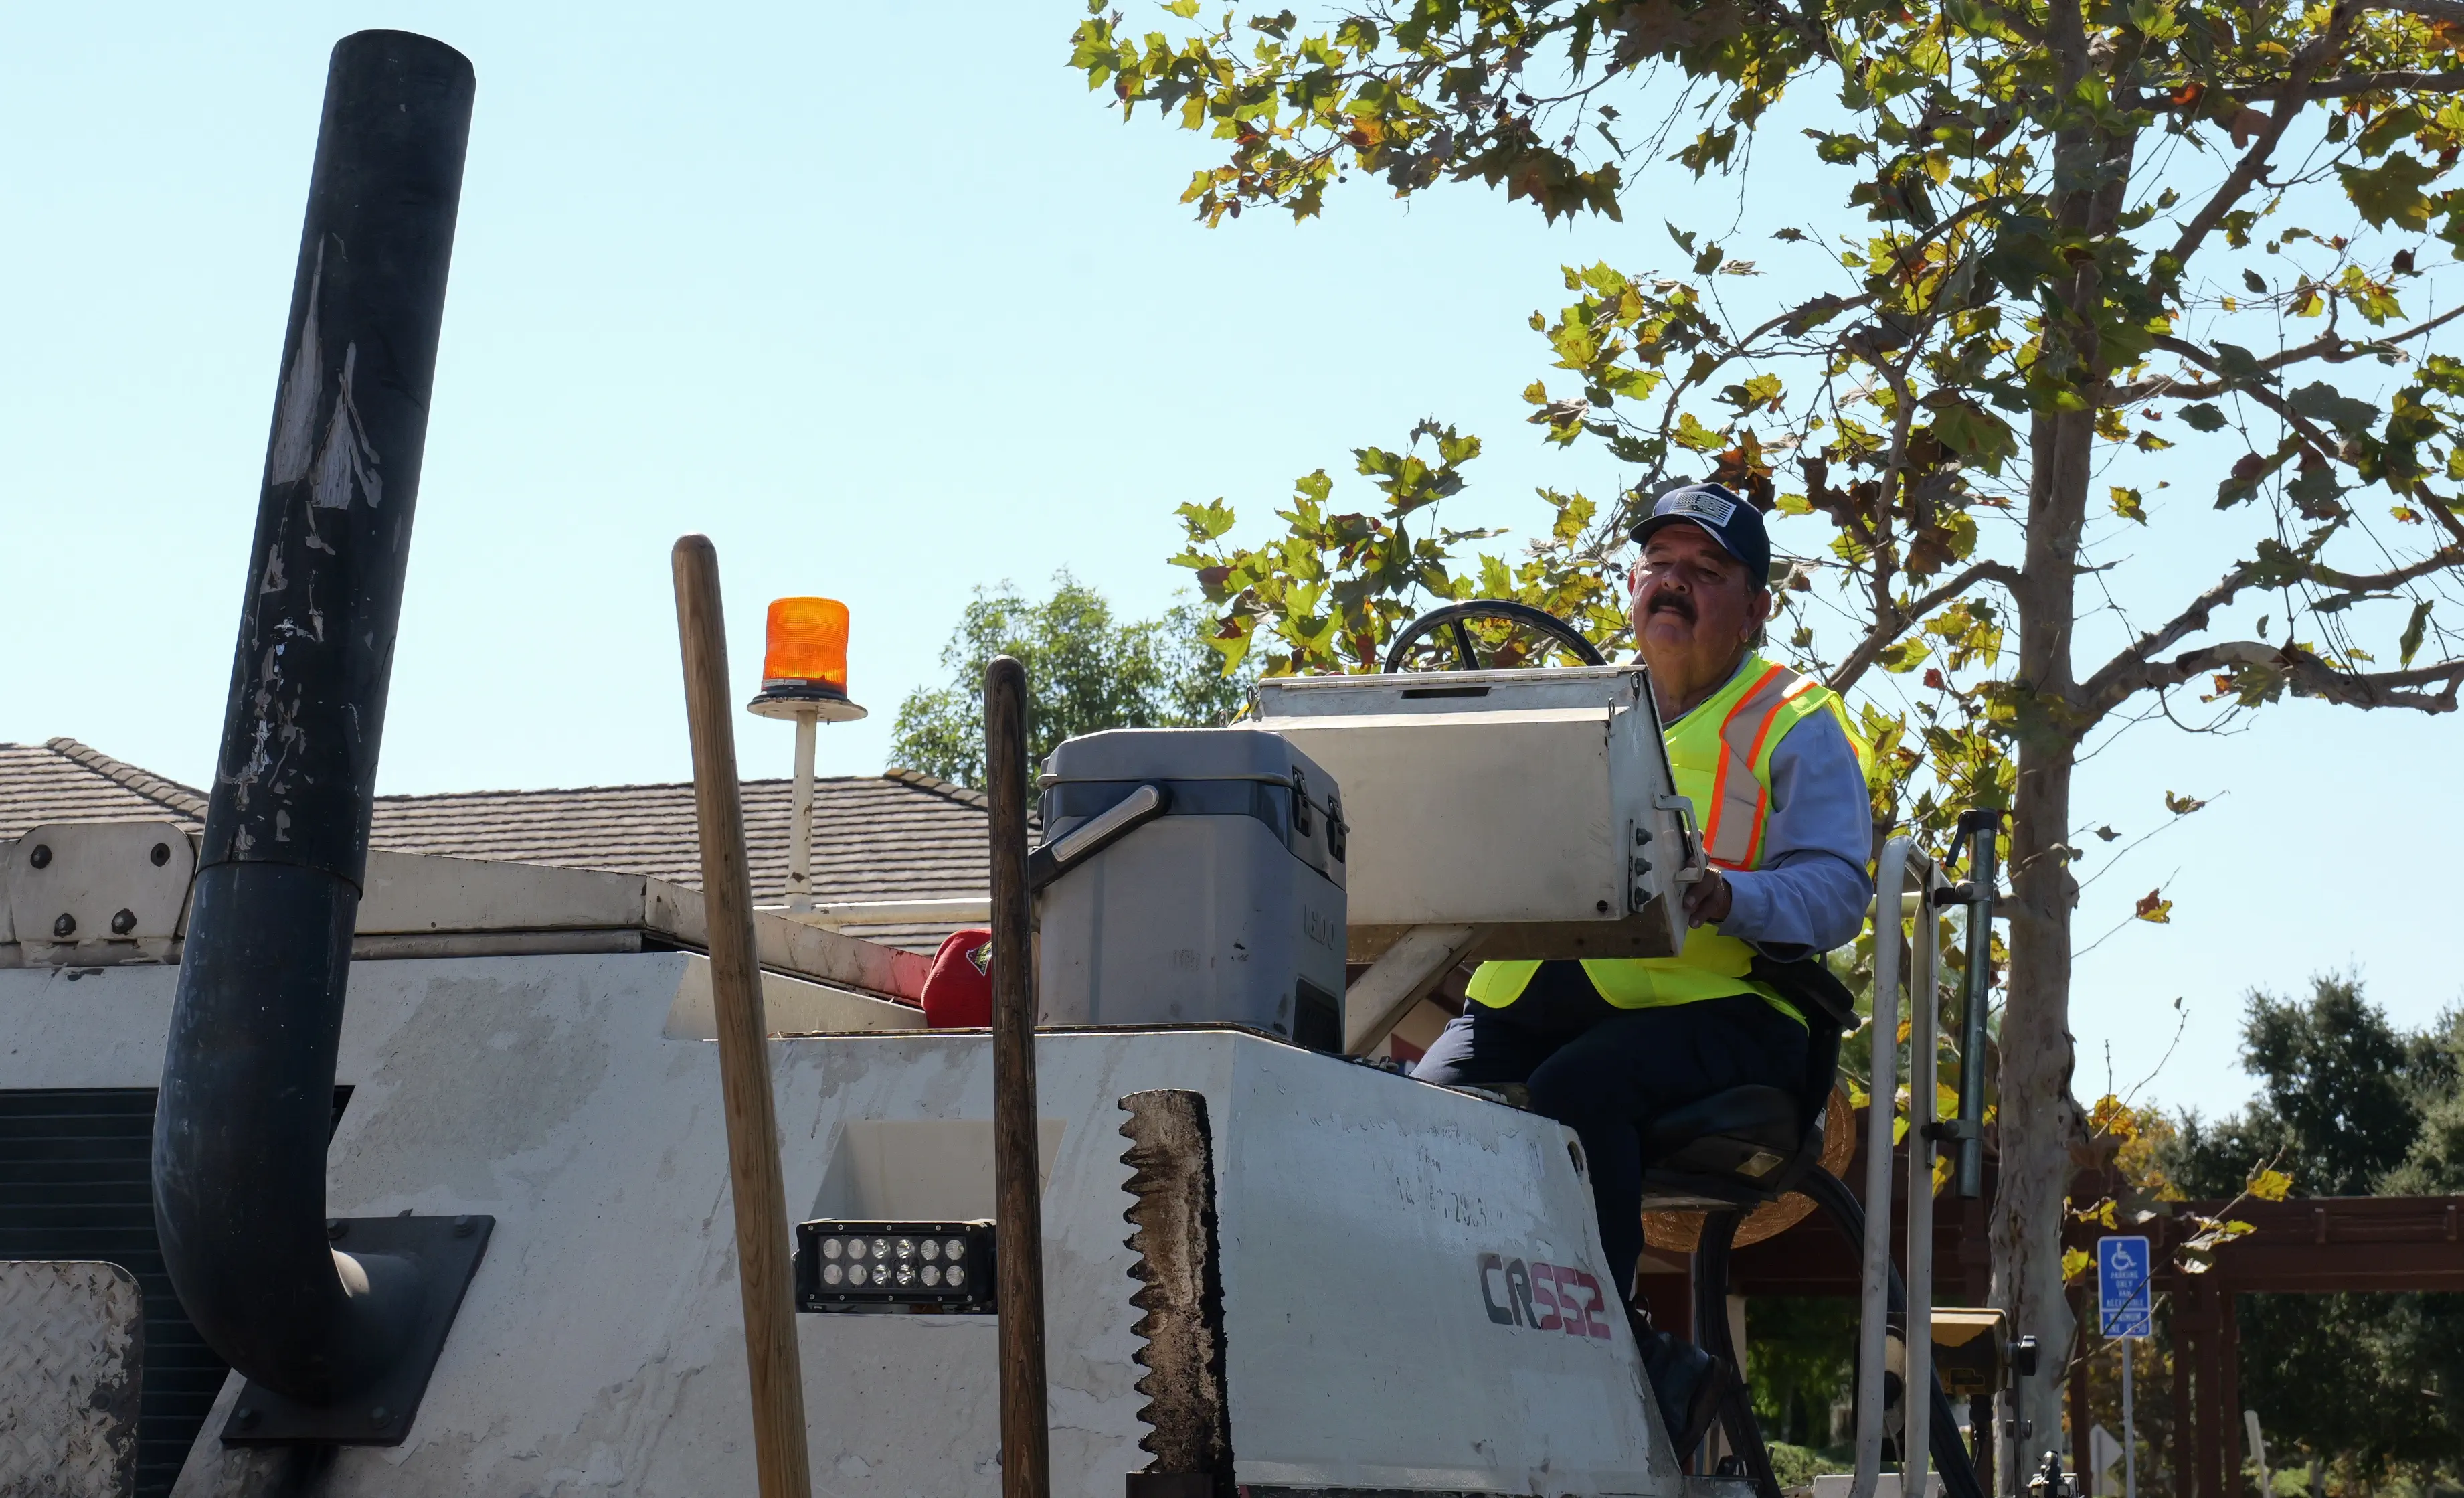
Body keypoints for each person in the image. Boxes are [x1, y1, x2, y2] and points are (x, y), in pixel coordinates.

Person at [1411, 480, 1873, 1452]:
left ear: (1755, 607)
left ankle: (1605, 1369)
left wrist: (1727, 893)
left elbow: (1834, 892)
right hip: (1530, 997)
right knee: (1410, 1115)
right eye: (1658, 565)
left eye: (1704, 571)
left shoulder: (1793, 719)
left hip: (1731, 1014)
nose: (1674, 585)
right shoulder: (1574, 710)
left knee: (1577, 1086)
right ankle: (1480, 1369)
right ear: (1630, 584)